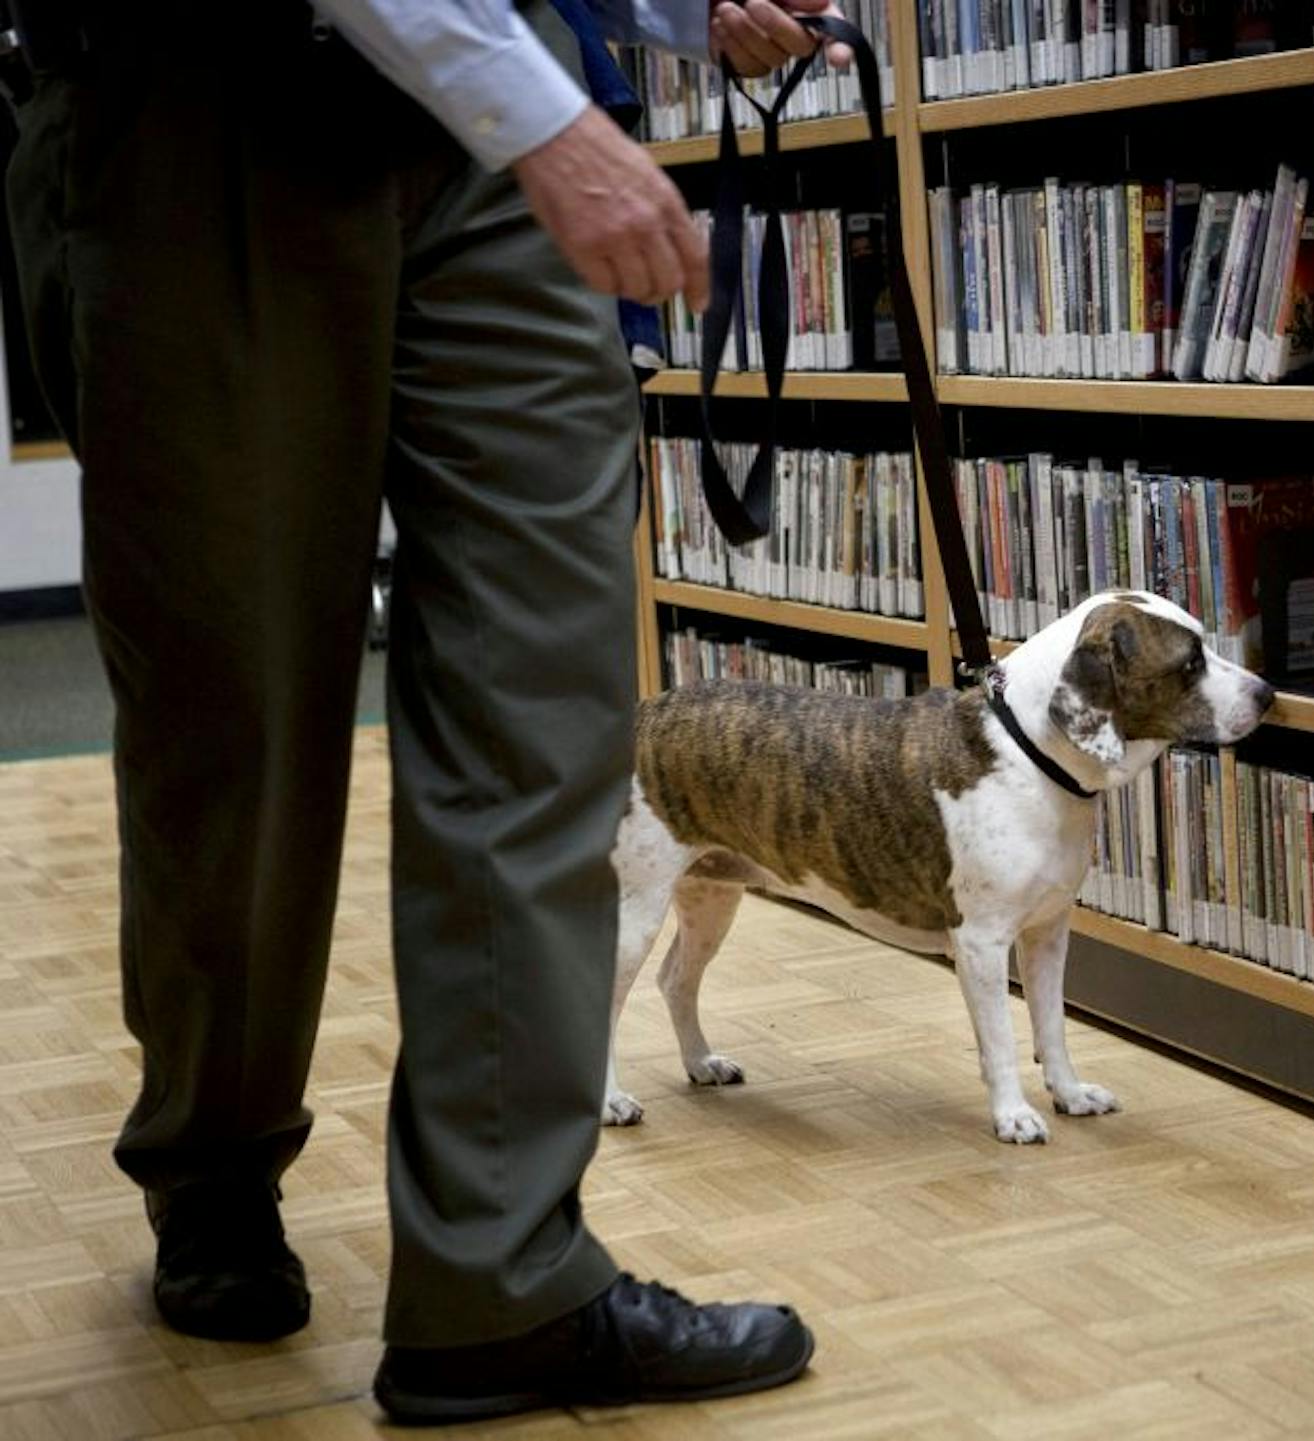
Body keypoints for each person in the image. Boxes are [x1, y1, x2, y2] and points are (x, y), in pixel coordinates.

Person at [4, 0, 848, 1424]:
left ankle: (499, 1276)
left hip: (495, 115)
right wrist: (541, 115)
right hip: (209, 101)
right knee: (238, 715)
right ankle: (213, 1165)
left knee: (547, 694)